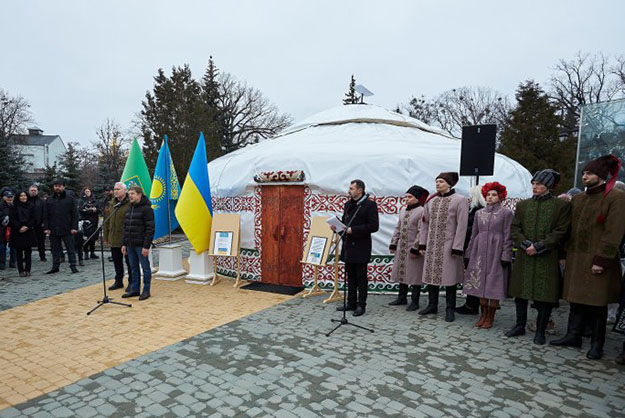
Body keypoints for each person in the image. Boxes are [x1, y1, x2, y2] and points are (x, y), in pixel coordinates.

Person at [551, 155, 625, 359]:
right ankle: (572, 335)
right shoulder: (579, 199)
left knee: (597, 303)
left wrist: (602, 260)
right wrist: (563, 253)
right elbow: (568, 229)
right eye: (583, 173)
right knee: (575, 300)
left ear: (601, 176)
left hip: (598, 258)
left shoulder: (615, 197)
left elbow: (614, 231)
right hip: (576, 258)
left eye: (589, 173)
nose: (584, 176)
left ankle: (597, 344)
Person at [506, 169, 570, 345]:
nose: (535, 187)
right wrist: (525, 244)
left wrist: (541, 246)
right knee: (521, 292)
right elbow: (515, 228)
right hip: (525, 255)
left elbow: (561, 231)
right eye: (533, 184)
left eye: (539, 184)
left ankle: (541, 330)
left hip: (547, 256)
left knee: (545, 295)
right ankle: (519, 325)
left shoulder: (561, 206)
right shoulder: (523, 205)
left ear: (548, 186)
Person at [418, 172, 469, 322]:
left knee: (449, 278)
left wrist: (457, 246)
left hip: (449, 246)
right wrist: (422, 243)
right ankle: (432, 305)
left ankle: (450, 309)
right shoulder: (431, 201)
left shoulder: (460, 200)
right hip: (432, 245)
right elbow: (424, 224)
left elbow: (462, 225)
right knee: (431, 276)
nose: (438, 184)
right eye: (436, 181)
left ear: (450, 183)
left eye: (441, 181)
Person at [463, 182, 514, 329]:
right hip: (479, 251)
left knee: (494, 283)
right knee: (480, 283)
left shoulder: (506, 213)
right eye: (488, 195)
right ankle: (483, 314)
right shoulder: (479, 213)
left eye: (494, 195)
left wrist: (506, 254)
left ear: (500, 197)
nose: (490, 197)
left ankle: (491, 316)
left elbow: (508, 235)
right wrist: (469, 252)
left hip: (496, 251)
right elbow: (474, 234)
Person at [332, 180, 379, 317]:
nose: (349, 191)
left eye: (352, 188)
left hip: (361, 247)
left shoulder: (369, 205)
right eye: (349, 188)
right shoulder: (348, 204)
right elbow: (345, 225)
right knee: (350, 277)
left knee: (361, 278)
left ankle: (361, 305)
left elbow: (373, 226)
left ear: (360, 190)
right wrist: (337, 228)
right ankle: (351, 302)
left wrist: (354, 230)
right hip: (348, 247)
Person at [388, 185, 429, 311]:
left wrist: (416, 248)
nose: (406, 199)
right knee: (402, 271)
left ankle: (415, 301)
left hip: (412, 247)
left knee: (414, 274)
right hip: (402, 247)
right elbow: (398, 227)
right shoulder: (403, 210)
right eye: (406, 196)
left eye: (410, 197)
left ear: (417, 198)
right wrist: (394, 242)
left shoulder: (422, 211)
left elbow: (421, 231)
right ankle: (402, 297)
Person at [456, 185, 486, 315]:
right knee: (473, 276)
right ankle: (471, 304)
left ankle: (472, 305)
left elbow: (470, 230)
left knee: (473, 275)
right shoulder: (476, 210)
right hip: (473, 247)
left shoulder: (477, 211)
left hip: (473, 248)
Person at [121, 186, 155, 300]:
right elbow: (125, 227)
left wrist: (146, 246)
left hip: (141, 245)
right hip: (130, 244)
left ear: (139, 195)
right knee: (133, 267)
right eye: (129, 193)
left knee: (145, 268)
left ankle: (146, 290)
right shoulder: (129, 208)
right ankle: (135, 289)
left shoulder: (147, 209)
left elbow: (150, 229)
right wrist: (124, 243)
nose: (130, 196)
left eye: (132, 193)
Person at [43, 178, 79, 274]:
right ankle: (55, 266)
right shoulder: (49, 199)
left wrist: (74, 227)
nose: (57, 188)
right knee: (55, 249)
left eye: (59, 186)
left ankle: (73, 266)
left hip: (67, 228)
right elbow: (45, 215)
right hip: (53, 228)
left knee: (70, 249)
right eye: (55, 186)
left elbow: (75, 214)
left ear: (63, 187)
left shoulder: (70, 199)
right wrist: (46, 228)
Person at [104, 182, 133, 291]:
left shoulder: (130, 203)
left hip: (126, 238)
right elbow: (107, 221)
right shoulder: (111, 203)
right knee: (117, 261)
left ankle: (131, 282)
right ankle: (118, 281)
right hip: (114, 237)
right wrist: (106, 236)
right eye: (115, 189)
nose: (116, 191)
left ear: (125, 190)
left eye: (118, 189)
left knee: (129, 262)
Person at [9, 191, 36, 276]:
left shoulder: (31, 206)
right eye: (21, 196)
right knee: (19, 252)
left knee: (28, 252)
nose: (23, 197)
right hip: (17, 232)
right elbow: (12, 218)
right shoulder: (14, 206)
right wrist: (19, 227)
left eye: (25, 195)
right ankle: (20, 271)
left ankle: (28, 270)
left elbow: (34, 218)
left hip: (28, 231)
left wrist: (27, 226)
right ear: (18, 197)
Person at [79, 187, 100, 259]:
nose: (88, 193)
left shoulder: (94, 200)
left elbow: (98, 209)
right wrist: (90, 210)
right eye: (86, 191)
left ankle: (92, 252)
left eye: (89, 191)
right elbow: (81, 210)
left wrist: (95, 210)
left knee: (93, 238)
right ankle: (86, 252)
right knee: (86, 238)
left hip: (94, 221)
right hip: (86, 222)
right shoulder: (81, 200)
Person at [28, 184, 47, 261]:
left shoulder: (42, 201)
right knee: (27, 242)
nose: (33, 192)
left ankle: (42, 256)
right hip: (28, 224)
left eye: (34, 190)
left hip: (39, 224)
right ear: (29, 191)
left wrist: (44, 223)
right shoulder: (26, 200)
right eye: (32, 190)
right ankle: (26, 256)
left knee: (41, 241)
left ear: (37, 191)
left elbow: (44, 212)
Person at [0, 189, 16, 269]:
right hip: (2, 229)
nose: (10, 198)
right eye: (8, 197)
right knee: (2, 246)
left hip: (12, 228)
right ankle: (2, 263)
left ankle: (13, 262)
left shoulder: (14, 205)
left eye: (11, 197)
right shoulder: (1, 205)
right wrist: (5, 218)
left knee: (13, 246)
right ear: (3, 197)